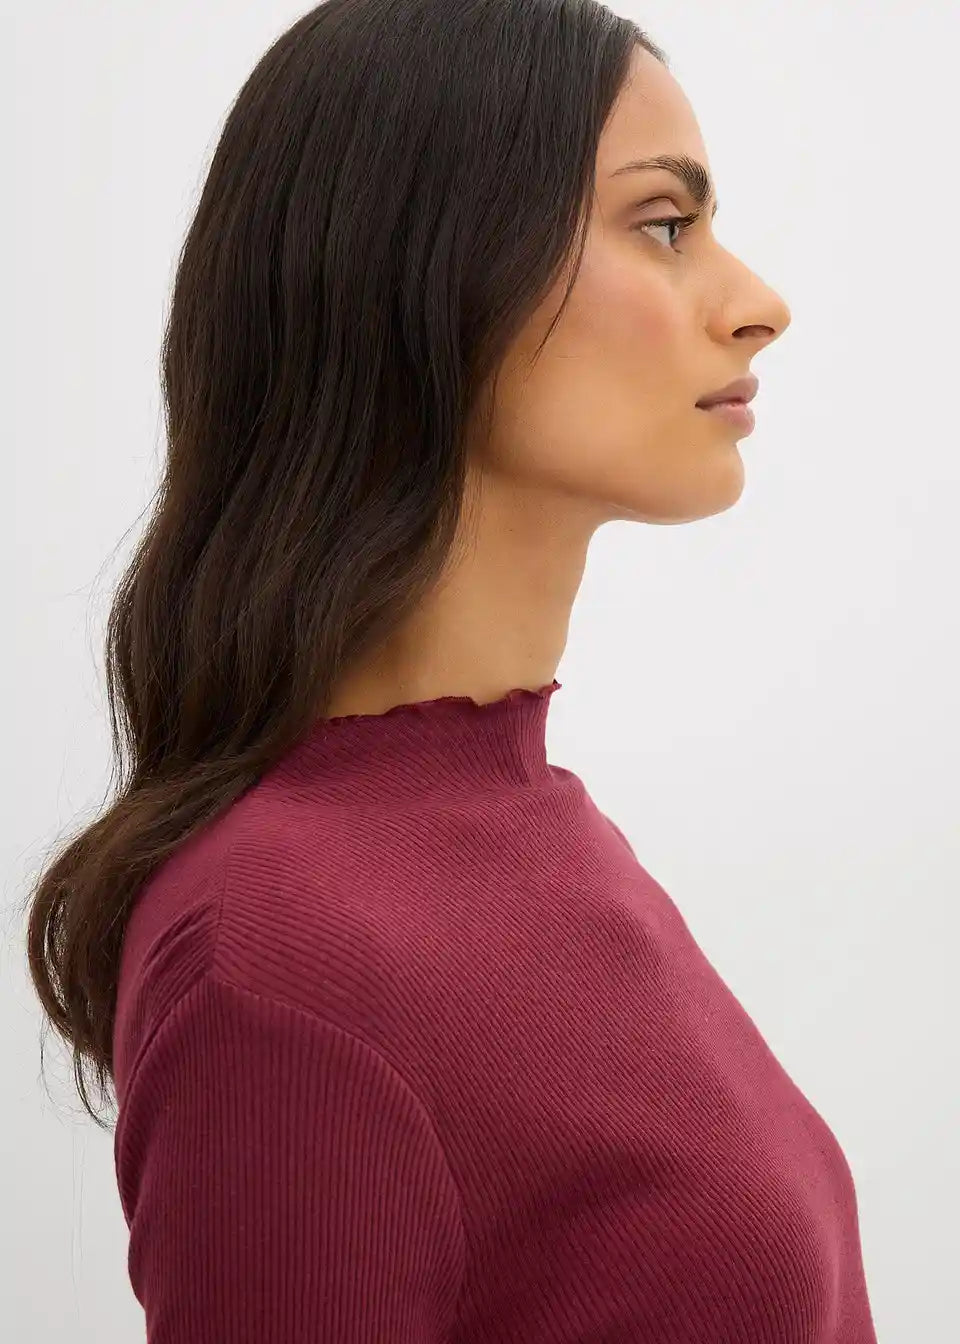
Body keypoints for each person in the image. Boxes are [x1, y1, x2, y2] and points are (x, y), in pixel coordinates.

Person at [24, 1, 878, 1339]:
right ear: (432, 277)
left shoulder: (540, 833)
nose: (758, 305)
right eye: (665, 224)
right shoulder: (279, 957)